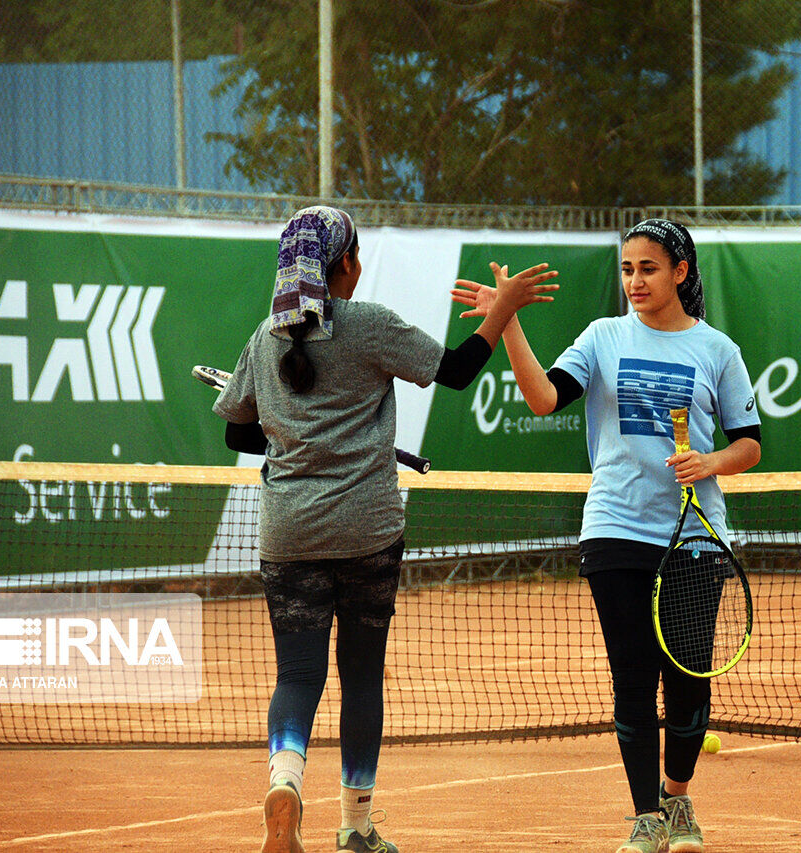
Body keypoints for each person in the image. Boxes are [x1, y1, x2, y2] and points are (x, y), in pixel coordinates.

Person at [213, 205, 558, 853]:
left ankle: (285, 779)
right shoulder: (368, 325)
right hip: (367, 530)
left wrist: (291, 424)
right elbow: (456, 371)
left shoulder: (264, 338)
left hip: (289, 534)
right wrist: (504, 306)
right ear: (343, 265)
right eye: (356, 255)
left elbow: (238, 429)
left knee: (297, 675)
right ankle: (355, 824)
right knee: (361, 675)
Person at [451, 219, 761, 853]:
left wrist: (711, 463)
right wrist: (508, 319)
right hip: (615, 527)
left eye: (648, 268)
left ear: (679, 272)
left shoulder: (718, 350)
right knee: (631, 677)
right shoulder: (602, 337)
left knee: (689, 678)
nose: (635, 281)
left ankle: (678, 799)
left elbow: (751, 444)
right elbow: (542, 399)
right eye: (627, 269)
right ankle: (646, 817)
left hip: (694, 537)